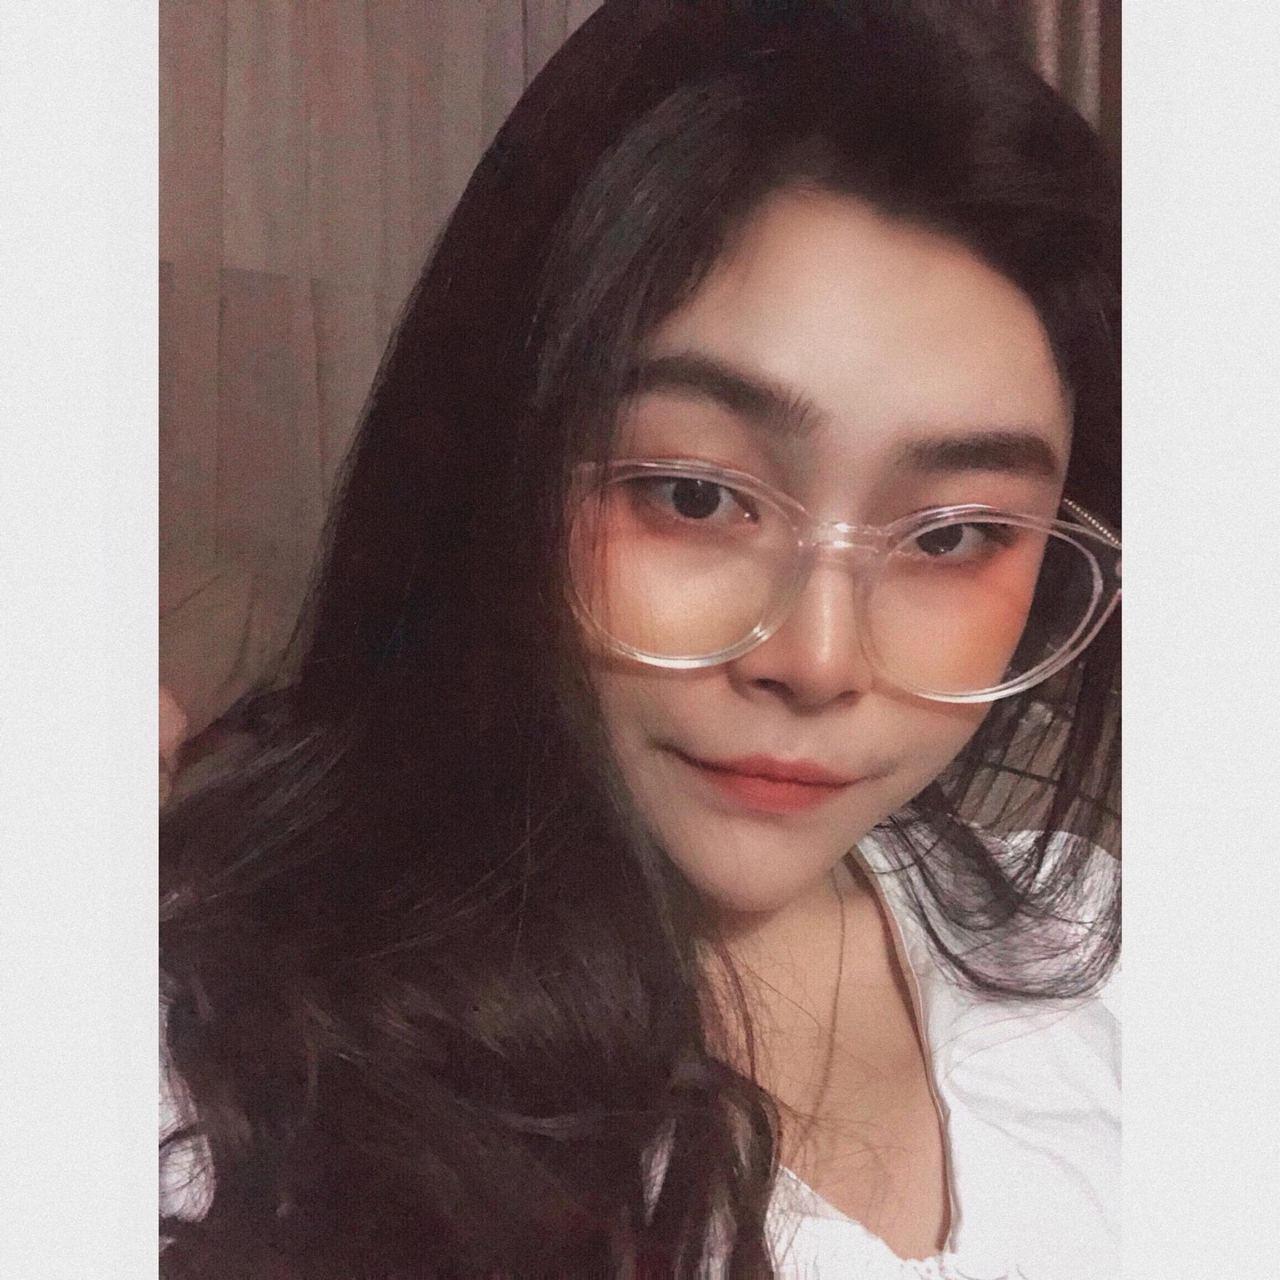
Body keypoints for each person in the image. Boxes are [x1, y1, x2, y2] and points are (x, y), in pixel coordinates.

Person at [160, 1, 1121, 1275]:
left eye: (950, 534)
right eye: (692, 495)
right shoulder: (220, 1075)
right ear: (491, 465)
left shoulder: (1086, 947)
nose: (817, 660)